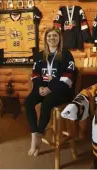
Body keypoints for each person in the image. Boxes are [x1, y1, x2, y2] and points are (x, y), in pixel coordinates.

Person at [24, 27, 76, 156]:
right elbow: (35, 74)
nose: (52, 38)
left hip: (61, 90)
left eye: (55, 36)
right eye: (49, 36)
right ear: (46, 39)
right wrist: (39, 87)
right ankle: (34, 134)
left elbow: (68, 77)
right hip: (43, 87)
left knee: (46, 103)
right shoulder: (40, 55)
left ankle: (39, 135)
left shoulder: (66, 54)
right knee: (28, 102)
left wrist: (51, 87)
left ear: (59, 38)